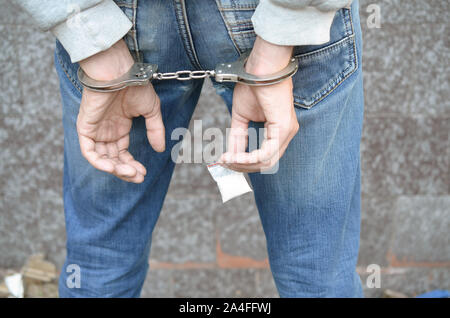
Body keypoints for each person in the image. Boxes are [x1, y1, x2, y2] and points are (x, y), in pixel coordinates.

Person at [14, 0, 364, 297]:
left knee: (99, 260)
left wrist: (88, 31)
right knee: (316, 266)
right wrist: (286, 31)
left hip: (114, 13)